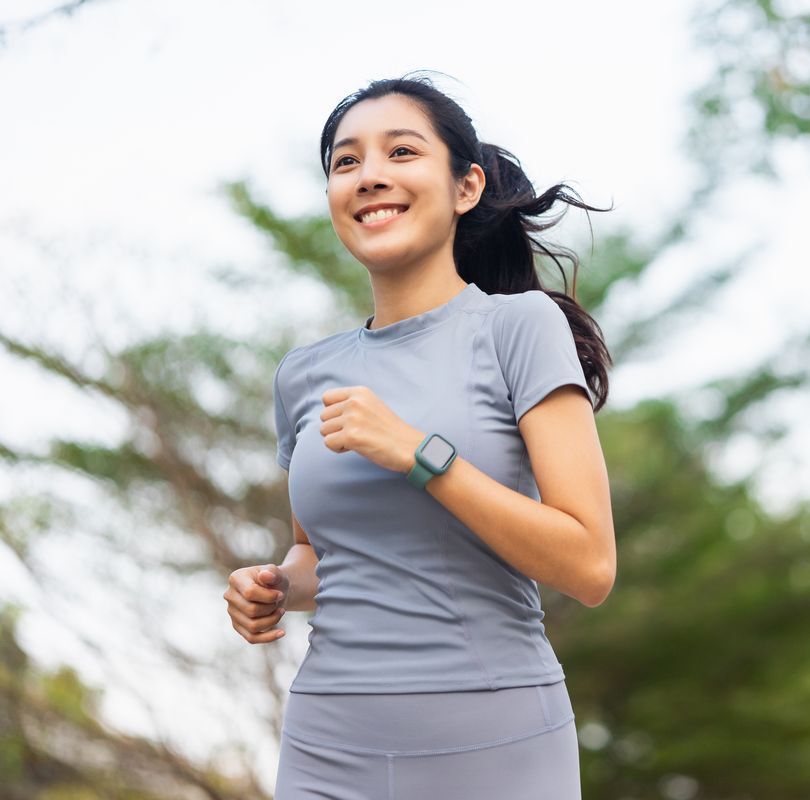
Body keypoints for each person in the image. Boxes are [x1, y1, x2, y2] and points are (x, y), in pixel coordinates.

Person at [223, 71, 616, 799]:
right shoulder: (305, 374)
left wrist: (420, 455)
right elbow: (319, 552)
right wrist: (277, 585)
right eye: (346, 162)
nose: (369, 176)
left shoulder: (519, 329)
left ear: (465, 187)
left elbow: (589, 565)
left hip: (495, 743)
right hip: (327, 742)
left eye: (400, 153)